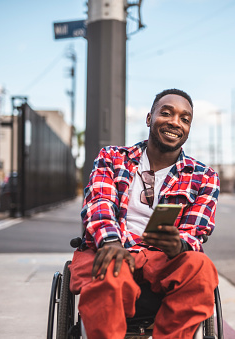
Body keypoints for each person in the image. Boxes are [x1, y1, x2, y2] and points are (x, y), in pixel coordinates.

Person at [69, 89, 220, 339]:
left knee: (201, 268)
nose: (175, 122)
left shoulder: (204, 176)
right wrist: (110, 242)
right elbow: (100, 203)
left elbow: (195, 233)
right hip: (115, 247)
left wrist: (178, 245)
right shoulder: (113, 158)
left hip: (163, 258)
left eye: (185, 118)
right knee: (110, 270)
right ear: (150, 118)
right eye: (167, 113)